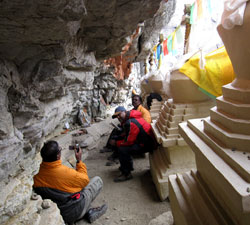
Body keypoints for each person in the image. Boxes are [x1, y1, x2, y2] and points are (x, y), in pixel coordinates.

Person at [33, 141, 107, 224]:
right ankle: (87, 211)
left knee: (71, 189)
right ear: (58, 156)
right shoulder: (65, 173)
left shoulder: (36, 176)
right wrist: (79, 161)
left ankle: (87, 210)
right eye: (60, 149)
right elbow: (85, 181)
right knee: (97, 181)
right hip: (75, 211)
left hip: (59, 213)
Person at [110, 107, 157, 182]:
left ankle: (126, 173)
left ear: (124, 112)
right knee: (118, 140)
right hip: (142, 140)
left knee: (122, 149)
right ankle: (125, 166)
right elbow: (127, 133)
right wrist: (117, 138)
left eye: (119, 115)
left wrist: (116, 143)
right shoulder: (130, 119)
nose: (118, 117)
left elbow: (129, 141)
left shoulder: (130, 122)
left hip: (147, 144)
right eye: (116, 116)